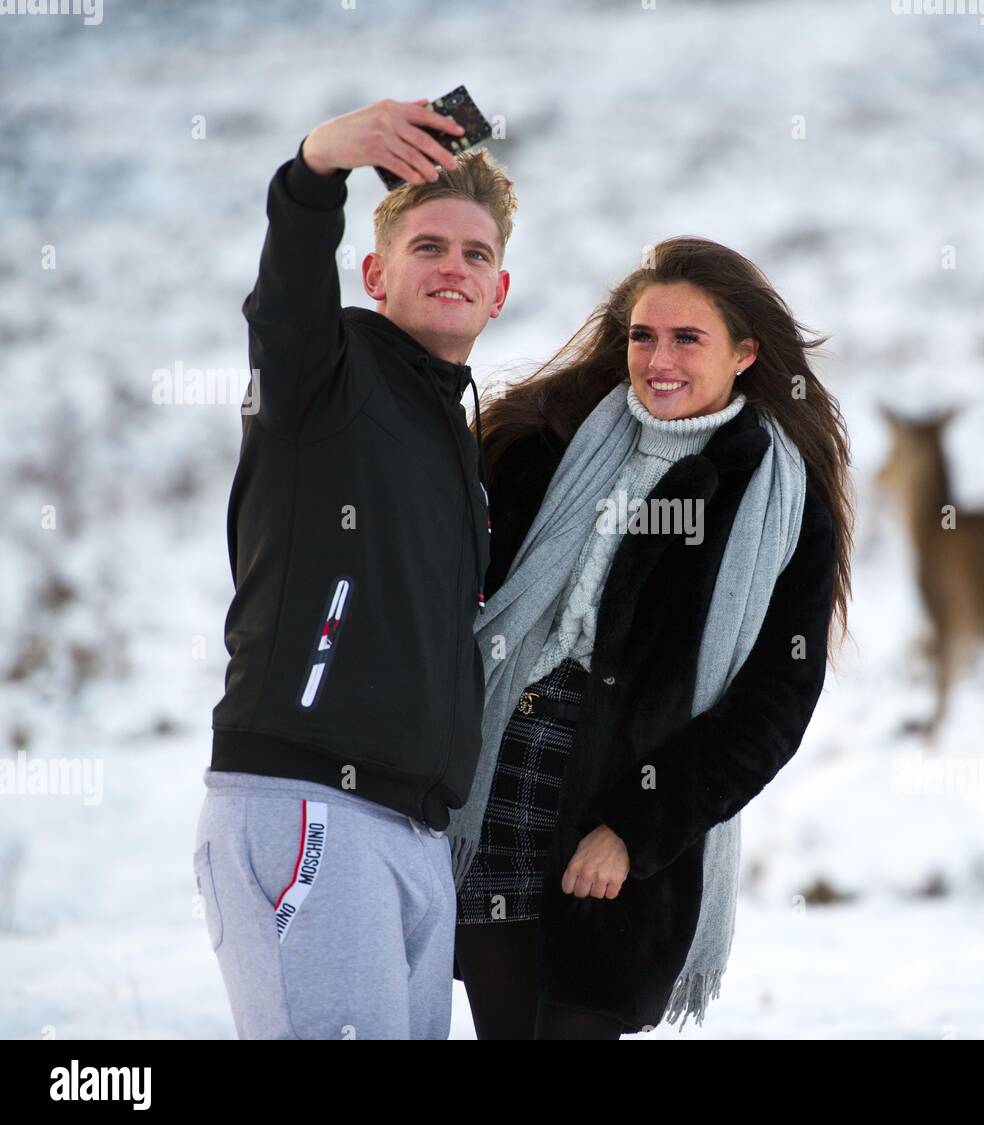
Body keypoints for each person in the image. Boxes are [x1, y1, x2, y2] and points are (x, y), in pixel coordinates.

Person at [448, 236, 854, 1038]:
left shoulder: (779, 498)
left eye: (687, 339)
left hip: (629, 821)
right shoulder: (539, 446)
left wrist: (639, 828)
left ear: (745, 353)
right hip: (499, 786)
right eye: (643, 336)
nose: (658, 359)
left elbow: (776, 702)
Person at [192, 98, 517, 1039]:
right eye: (428, 247)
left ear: (499, 292)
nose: (454, 266)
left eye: (475, 254)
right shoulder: (324, 377)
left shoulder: (454, 434)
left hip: (412, 833)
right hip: (308, 807)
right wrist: (316, 168)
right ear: (375, 273)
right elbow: (286, 293)